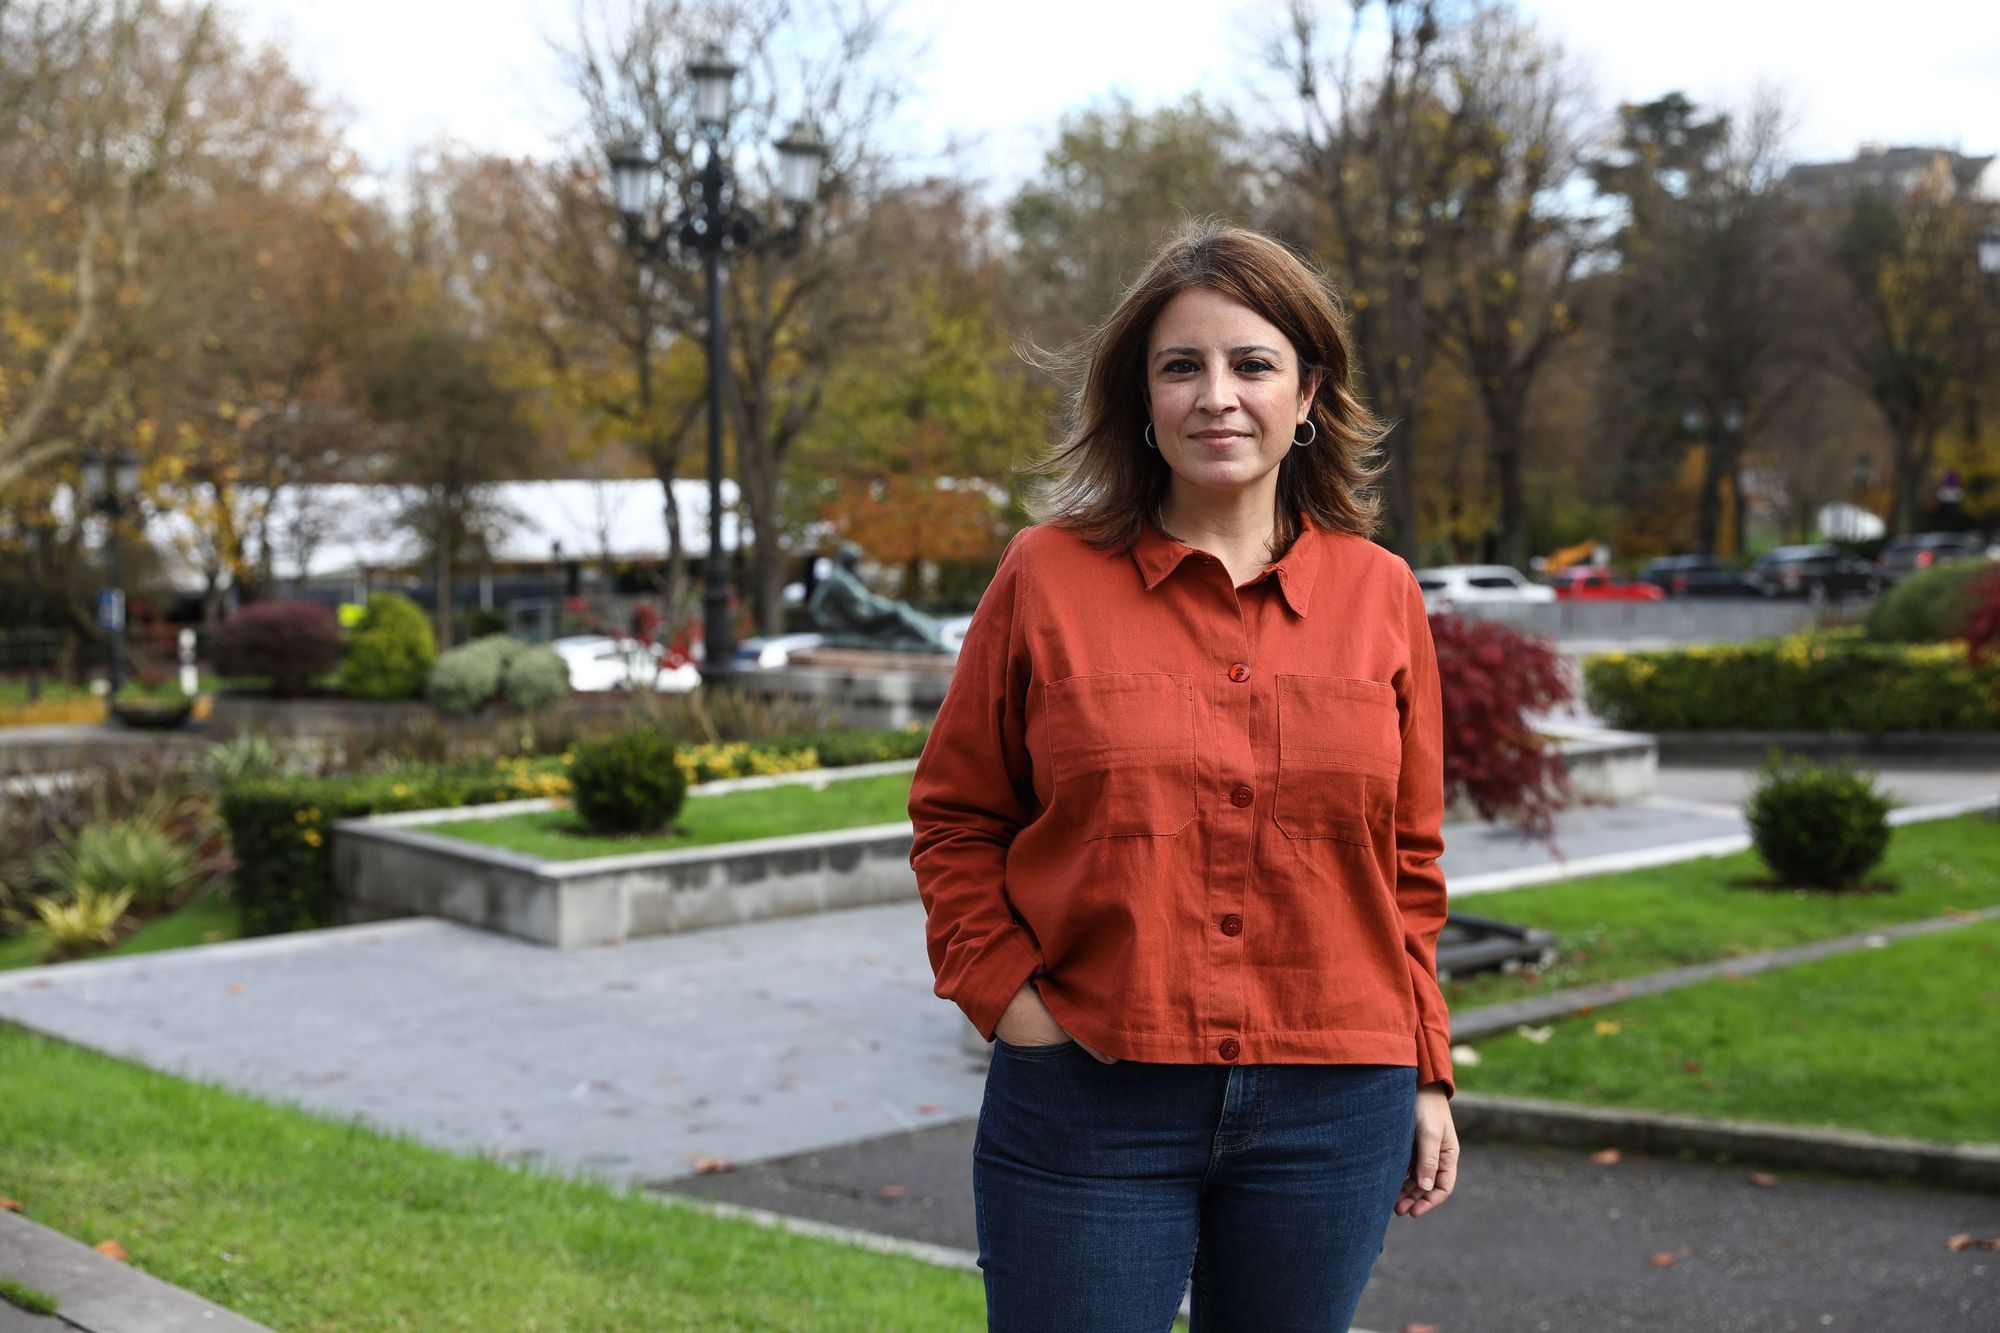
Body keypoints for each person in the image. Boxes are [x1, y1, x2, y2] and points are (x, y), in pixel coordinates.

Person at [907, 223, 1459, 1331]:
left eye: (1250, 364)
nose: (1217, 395)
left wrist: (1426, 1068)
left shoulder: (1380, 593)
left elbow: (1407, 859)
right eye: (1181, 366)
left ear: (1306, 394)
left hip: (1332, 1101)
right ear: (1141, 401)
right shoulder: (1044, 576)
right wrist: (1006, 1000)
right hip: (1086, 1092)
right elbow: (956, 817)